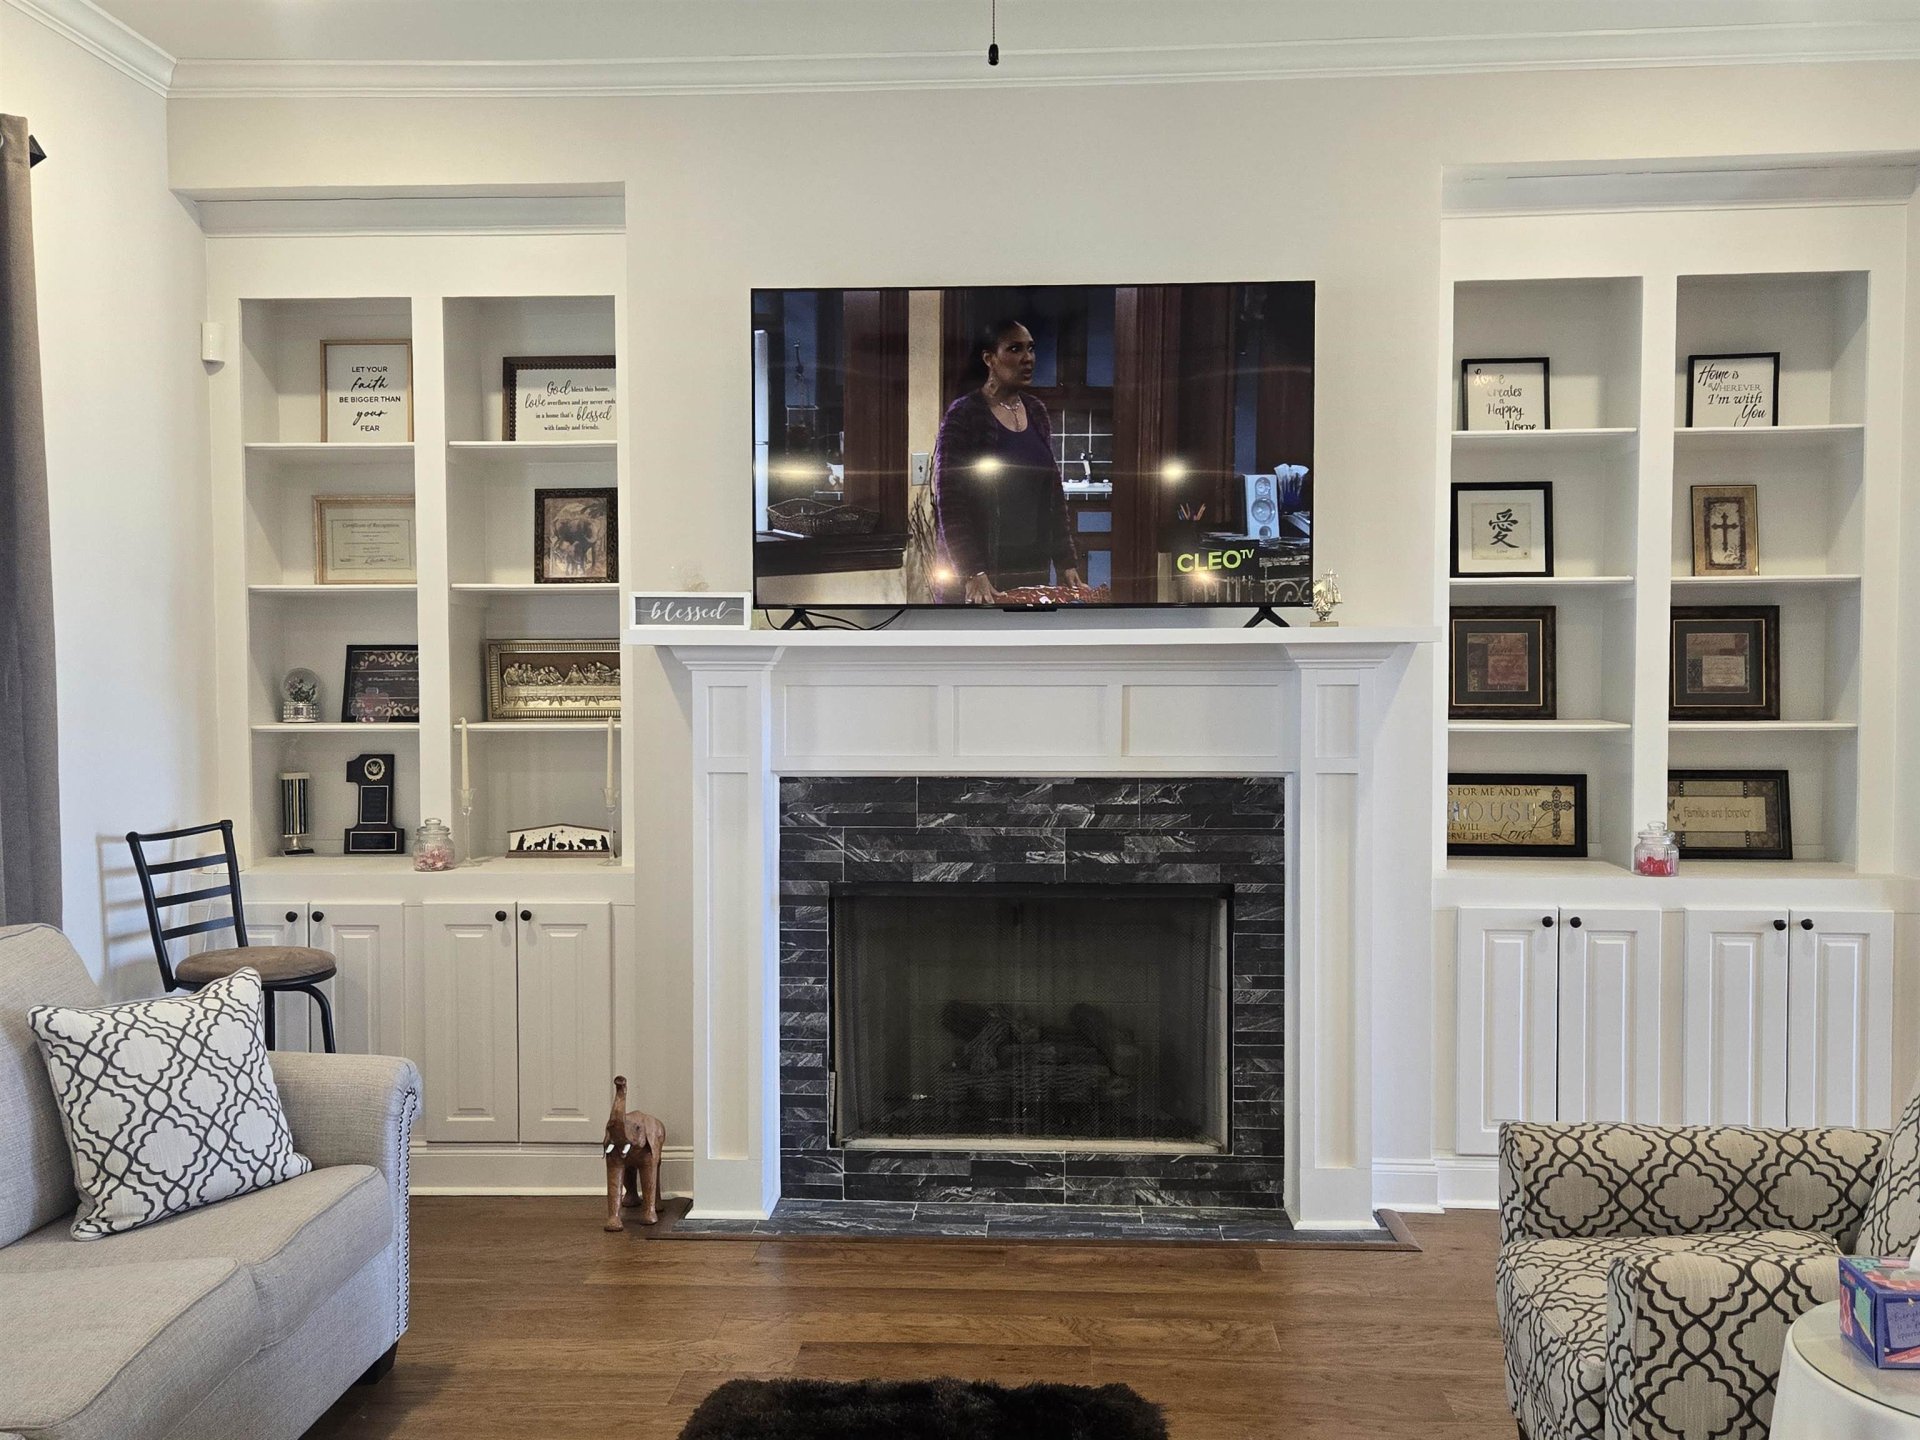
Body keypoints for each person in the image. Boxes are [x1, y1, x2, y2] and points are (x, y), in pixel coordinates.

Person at [932, 318, 1082, 602]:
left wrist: (1066, 562)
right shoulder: (964, 415)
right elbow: (951, 503)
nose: (1028, 359)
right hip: (984, 570)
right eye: (1015, 349)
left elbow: (1052, 495)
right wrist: (972, 571)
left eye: (1031, 349)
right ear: (989, 358)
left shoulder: (1036, 411)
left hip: (1031, 565)